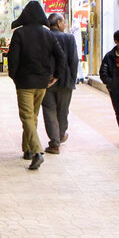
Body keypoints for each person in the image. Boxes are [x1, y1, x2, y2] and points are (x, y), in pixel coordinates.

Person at [8, 1, 66, 170]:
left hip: (24, 82)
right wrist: (56, 76)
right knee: (32, 116)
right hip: (42, 82)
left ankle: (36, 152)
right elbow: (60, 57)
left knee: (27, 116)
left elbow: (13, 58)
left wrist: (14, 76)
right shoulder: (48, 34)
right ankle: (27, 149)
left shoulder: (19, 34)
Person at [42, 13, 78, 154]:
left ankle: (55, 143)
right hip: (65, 81)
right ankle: (61, 135)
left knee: (49, 111)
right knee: (63, 111)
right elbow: (73, 61)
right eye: (63, 22)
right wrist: (72, 79)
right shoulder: (69, 38)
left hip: (47, 81)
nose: (65, 25)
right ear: (58, 22)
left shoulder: (44, 37)